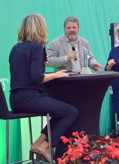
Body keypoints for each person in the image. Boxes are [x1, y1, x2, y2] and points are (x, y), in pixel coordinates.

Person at [9, 14, 78, 161]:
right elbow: (37, 77)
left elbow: (26, 73)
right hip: (30, 98)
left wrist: (41, 64)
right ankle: (45, 146)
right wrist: (57, 74)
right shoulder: (36, 47)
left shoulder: (16, 48)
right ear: (40, 28)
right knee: (70, 112)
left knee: (60, 111)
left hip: (15, 100)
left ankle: (38, 144)